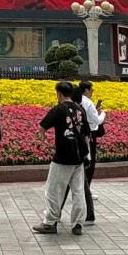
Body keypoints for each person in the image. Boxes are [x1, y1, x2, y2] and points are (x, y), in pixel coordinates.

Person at [32, 80, 88, 236]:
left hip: (62, 157)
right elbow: (86, 135)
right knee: (78, 191)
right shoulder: (80, 110)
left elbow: (42, 127)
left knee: (53, 190)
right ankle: (77, 224)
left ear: (59, 94)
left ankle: (50, 222)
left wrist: (42, 138)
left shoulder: (58, 109)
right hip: (78, 157)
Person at [78, 80, 106, 224]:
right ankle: (86, 191)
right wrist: (103, 114)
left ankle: (84, 192)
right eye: (91, 89)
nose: (92, 91)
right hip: (89, 136)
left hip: (81, 137)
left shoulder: (79, 102)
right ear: (87, 90)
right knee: (89, 164)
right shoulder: (88, 103)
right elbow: (97, 120)